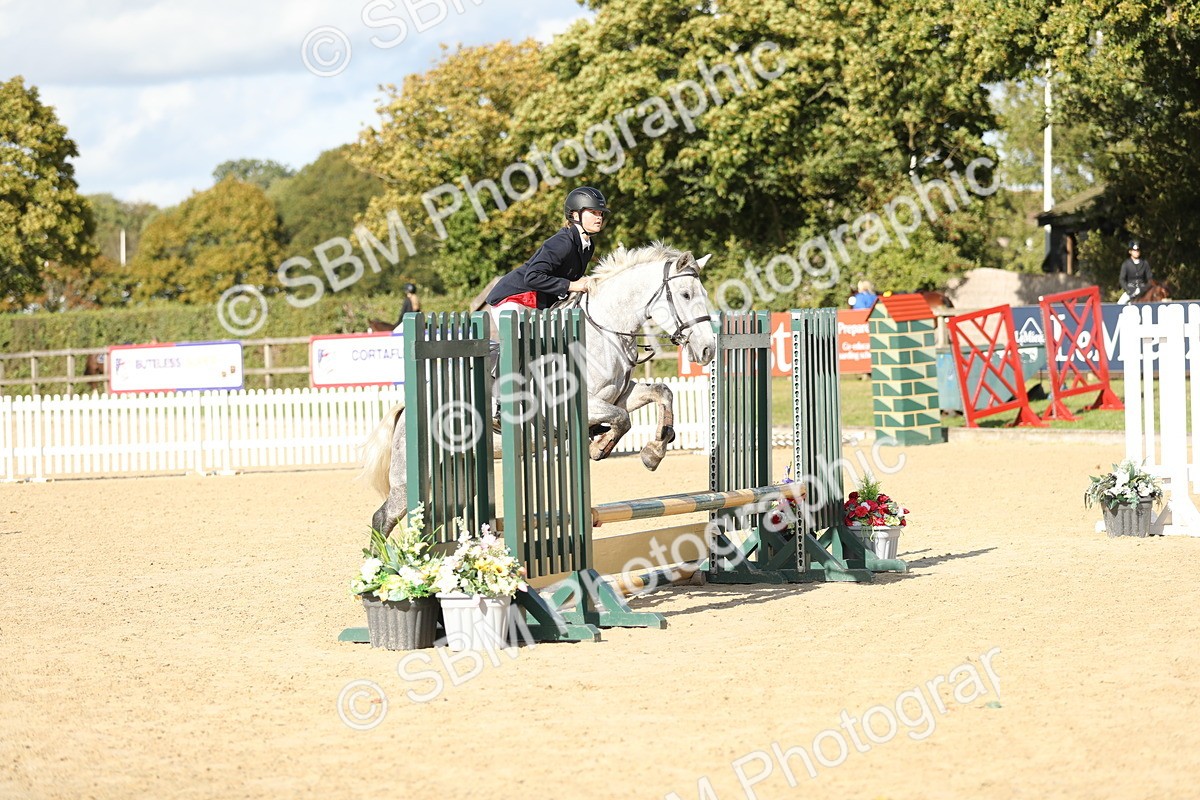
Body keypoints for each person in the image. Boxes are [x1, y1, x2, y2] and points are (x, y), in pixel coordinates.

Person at [485, 186, 608, 323]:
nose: (599, 218)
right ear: (575, 215)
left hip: (538, 303)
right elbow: (532, 277)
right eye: (593, 212)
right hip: (512, 298)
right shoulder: (563, 242)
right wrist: (571, 285)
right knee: (524, 343)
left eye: (600, 213)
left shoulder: (588, 246)